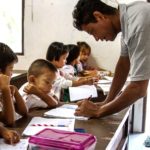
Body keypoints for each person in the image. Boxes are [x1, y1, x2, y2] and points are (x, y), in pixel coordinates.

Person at [72, 0, 150, 118]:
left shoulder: (138, 24)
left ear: (99, 16)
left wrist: (99, 112)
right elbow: (123, 64)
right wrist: (106, 102)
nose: (97, 38)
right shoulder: (128, 20)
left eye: (92, 31)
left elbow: (138, 88)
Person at [0, 43, 27, 126]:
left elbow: (24, 112)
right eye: (11, 69)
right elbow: (9, 121)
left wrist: (15, 90)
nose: (12, 73)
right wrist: (5, 90)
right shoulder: (4, 89)